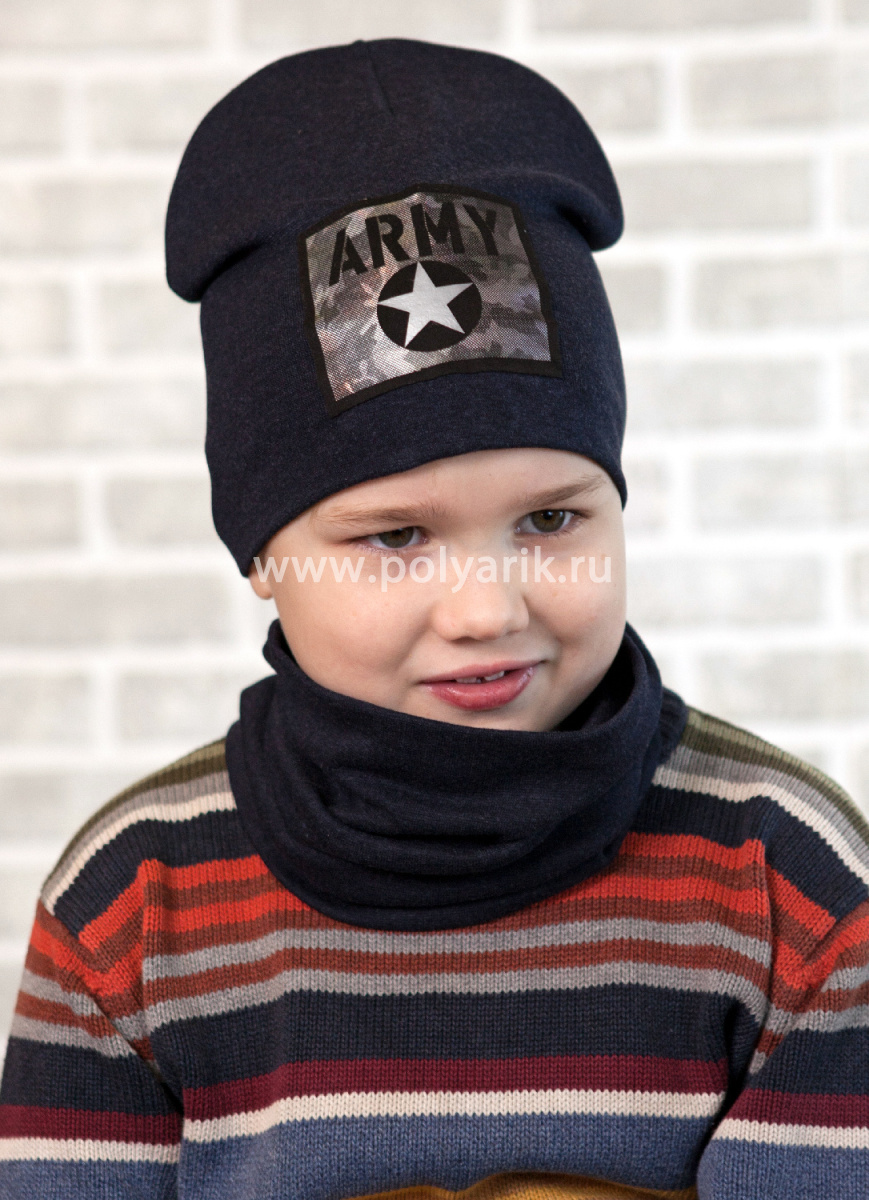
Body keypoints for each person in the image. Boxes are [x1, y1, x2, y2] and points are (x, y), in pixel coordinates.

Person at [0, 39, 866, 1200]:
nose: (485, 608)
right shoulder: (132, 906)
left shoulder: (785, 879)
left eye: (550, 520)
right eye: (395, 536)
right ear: (260, 555)